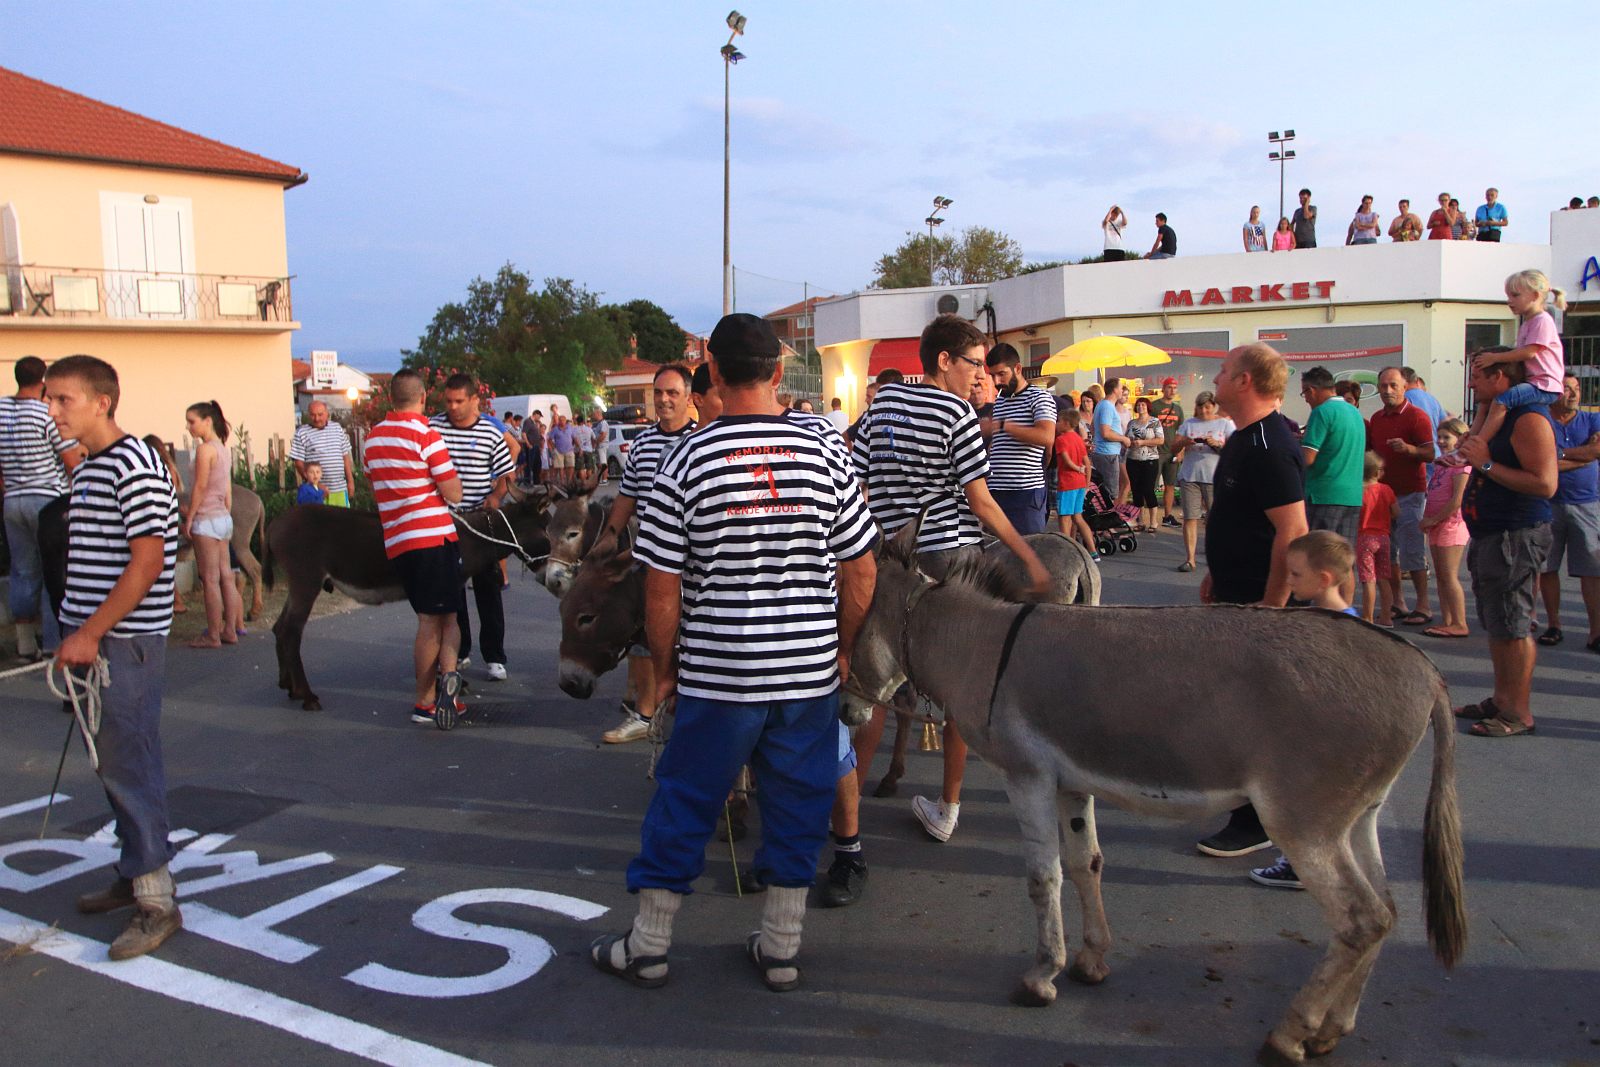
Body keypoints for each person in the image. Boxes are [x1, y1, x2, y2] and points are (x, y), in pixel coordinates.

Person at [589, 313, 878, 994]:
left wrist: (665, 670)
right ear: (778, 371)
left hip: (719, 674)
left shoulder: (684, 460)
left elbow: (662, 587)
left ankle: (649, 945)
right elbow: (861, 568)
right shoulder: (827, 453)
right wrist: (840, 648)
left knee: (685, 802)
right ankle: (781, 948)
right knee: (798, 804)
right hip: (806, 673)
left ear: (712, 374)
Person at [851, 313, 1050, 845]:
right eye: (974, 364)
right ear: (945, 361)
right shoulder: (957, 413)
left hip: (891, 563)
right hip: (950, 562)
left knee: (874, 687)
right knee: (961, 688)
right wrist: (1028, 557)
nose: (981, 375)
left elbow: (858, 481)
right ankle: (947, 807)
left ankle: (844, 810)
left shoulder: (883, 403)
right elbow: (980, 502)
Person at [44, 354, 182, 960]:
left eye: (62, 400)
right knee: (111, 762)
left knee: (129, 762)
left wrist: (91, 632)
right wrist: (76, 629)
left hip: (123, 642)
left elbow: (148, 563)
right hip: (93, 638)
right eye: (49, 399)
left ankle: (157, 900)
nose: (52, 411)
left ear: (102, 402)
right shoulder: (90, 465)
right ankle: (135, 870)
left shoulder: (134, 465)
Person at [1195, 344, 1307, 858]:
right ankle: (1249, 807)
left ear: (1244, 381)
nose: (1215, 379)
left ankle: (1260, 820)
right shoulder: (1243, 437)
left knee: (1257, 713)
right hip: (1236, 593)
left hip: (1260, 604)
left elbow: (1293, 530)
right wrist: (1216, 574)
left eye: (1223, 371)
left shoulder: (1270, 444)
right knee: (1237, 708)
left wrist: (1273, 603)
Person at [1248, 530, 1357, 890]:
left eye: (1295, 574)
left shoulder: (1334, 627)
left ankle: (1299, 865)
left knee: (1303, 804)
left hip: (1322, 736)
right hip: (1321, 733)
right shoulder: (1336, 619)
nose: (1289, 580)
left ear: (1323, 579)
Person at [1455, 354, 1557, 736]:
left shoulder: (1528, 418)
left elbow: (1545, 484)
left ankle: (1518, 713)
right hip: (1492, 535)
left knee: (1514, 625)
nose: (1471, 384)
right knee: (1498, 622)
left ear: (1501, 376)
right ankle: (1502, 700)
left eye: (1478, 376)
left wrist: (1484, 463)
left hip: (1515, 535)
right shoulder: (1498, 416)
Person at [600, 364, 697, 744]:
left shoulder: (700, 440)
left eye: (672, 393)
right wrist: (609, 538)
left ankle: (689, 714)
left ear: (689, 397)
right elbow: (627, 496)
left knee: (690, 637)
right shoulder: (641, 443)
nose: (664, 400)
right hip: (650, 557)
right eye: (659, 393)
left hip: (693, 561)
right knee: (643, 635)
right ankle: (644, 714)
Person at [363, 369, 465, 727]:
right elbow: (454, 492)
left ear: (391, 398)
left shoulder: (373, 439)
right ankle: (425, 701)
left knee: (446, 615)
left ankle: (449, 691)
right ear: (422, 397)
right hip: (433, 537)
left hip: (398, 539)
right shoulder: (426, 435)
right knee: (435, 621)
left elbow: (375, 484)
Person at [430, 374, 514, 682]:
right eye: (449, 401)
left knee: (488, 589)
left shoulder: (490, 432)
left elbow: (506, 475)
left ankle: (495, 656)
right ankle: (460, 650)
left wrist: (495, 496)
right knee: (452, 591)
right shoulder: (433, 428)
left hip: (480, 523)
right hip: (445, 521)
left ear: (474, 400)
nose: (453, 407)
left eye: (459, 401)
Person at [0, 354, 81, 659]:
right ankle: (52, 641)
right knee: (53, 569)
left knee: (22, 569)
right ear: (43, 381)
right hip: (47, 498)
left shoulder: (1, 410)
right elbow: (70, 460)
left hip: (12, 499)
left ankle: (24, 642)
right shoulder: (45, 414)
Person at [1463, 270, 1565, 454]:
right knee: (1486, 402)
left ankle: (1479, 443)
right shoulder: (1528, 323)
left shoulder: (1542, 321)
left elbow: (1529, 352)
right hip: (1534, 382)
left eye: (1515, 295)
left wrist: (1495, 358)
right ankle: (1471, 439)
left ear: (1535, 296)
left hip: (1544, 385)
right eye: (1508, 296)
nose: (1509, 301)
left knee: (1502, 400)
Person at [1537, 373, 1600, 651]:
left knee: (1592, 570)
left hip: (1587, 504)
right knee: (1547, 567)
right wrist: (1584, 456)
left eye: (1576, 389)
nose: (1573, 394)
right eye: (1566, 389)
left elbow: (1597, 450)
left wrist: (1561, 455)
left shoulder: (1592, 420)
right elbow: (1542, 460)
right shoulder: (1543, 421)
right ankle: (1554, 624)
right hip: (1548, 503)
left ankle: (1596, 632)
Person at [1368, 367, 1436, 625]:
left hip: (1410, 493)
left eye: (1393, 385)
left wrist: (1409, 449)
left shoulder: (1417, 417)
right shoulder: (1376, 418)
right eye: (1383, 386)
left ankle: (1423, 605)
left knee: (1412, 550)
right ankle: (1398, 602)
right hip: (1383, 494)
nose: (1388, 391)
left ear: (1405, 387)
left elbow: (1430, 453)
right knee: (1388, 552)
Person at [181, 400, 243, 649]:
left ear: (207, 421)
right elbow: (226, 488)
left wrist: (190, 516)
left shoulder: (205, 450)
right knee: (226, 576)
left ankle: (213, 634)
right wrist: (226, 511)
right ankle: (230, 629)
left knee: (210, 579)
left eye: (192, 421)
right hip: (222, 517)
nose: (189, 427)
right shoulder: (223, 449)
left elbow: (200, 485)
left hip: (206, 518)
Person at [982, 343, 1057, 534]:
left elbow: (1047, 436)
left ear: (1017, 368)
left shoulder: (1039, 397)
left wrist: (1004, 425)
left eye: (1002, 374)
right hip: (996, 491)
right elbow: (998, 443)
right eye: (992, 375)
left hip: (1025, 492)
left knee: (1028, 548)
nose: (997, 381)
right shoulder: (1001, 400)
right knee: (996, 549)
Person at [1299, 366, 1367, 557]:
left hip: (1324, 495)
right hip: (1352, 496)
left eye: (1305, 393)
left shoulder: (1321, 412)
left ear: (1312, 390)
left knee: (1317, 558)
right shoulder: (1354, 413)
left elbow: (1307, 458)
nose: (1306, 399)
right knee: (1343, 560)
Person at [1170, 390, 1233, 573]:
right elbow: (1173, 448)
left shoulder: (1224, 424)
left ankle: (1218, 556)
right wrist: (1184, 443)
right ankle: (1190, 559)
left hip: (1214, 477)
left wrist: (1217, 444)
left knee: (1216, 519)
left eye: (1207, 407)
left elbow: (1234, 450)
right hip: (1190, 476)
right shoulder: (1189, 424)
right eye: (1200, 407)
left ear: (1214, 406)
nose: (1204, 411)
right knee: (1190, 517)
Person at [1420, 419, 1472, 638]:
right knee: (1441, 576)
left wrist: (1433, 519)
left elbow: (1457, 500)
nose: (1441, 441)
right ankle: (1448, 620)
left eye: (1446, 437)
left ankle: (1460, 622)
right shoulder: (1443, 463)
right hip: (1437, 524)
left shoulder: (1462, 466)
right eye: (1439, 437)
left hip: (1451, 524)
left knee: (1449, 576)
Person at [1357, 452, 1399, 626]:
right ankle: (1386, 616)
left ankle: (1368, 616)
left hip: (1364, 537)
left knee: (1368, 579)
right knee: (1383, 578)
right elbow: (1396, 512)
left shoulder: (1359, 490)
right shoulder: (1386, 489)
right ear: (1377, 472)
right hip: (1383, 537)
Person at [289, 400, 355, 507]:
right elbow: (299, 463)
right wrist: (316, 484)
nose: (317, 419)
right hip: (317, 492)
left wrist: (350, 481)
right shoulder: (301, 433)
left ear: (327, 413)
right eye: (313, 415)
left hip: (340, 490)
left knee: (342, 517)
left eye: (320, 415)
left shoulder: (337, 428)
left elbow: (345, 456)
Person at [1054, 408, 1096, 558]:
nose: (1056, 424)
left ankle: (1066, 552)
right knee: (1078, 517)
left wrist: (1077, 468)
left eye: (1058, 421)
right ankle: (1093, 550)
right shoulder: (1078, 439)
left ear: (1066, 423)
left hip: (1067, 483)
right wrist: (1087, 483)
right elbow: (1087, 462)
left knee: (1064, 517)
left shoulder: (1061, 439)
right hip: (1080, 483)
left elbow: (1066, 460)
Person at [1125, 396, 1164, 533]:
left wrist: (1143, 442)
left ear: (1148, 407)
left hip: (1150, 460)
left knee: (1148, 489)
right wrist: (1128, 443)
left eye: (1143, 405)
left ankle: (1153, 521)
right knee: (1136, 491)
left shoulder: (1155, 422)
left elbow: (1160, 440)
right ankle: (1140, 521)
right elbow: (1127, 439)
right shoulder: (1131, 423)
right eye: (1139, 405)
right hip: (1133, 459)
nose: (1140, 407)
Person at [1150, 377, 1185, 527]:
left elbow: (1181, 431)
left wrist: (1180, 450)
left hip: (1172, 452)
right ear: (1163, 389)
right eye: (1169, 387)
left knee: (1170, 485)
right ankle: (1147, 518)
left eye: (1174, 387)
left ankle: (1167, 516)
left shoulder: (1178, 409)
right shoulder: (1154, 406)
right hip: (1156, 451)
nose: (1172, 390)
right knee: (1151, 485)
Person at [1090, 377, 1131, 499]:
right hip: (1108, 454)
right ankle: (1110, 511)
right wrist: (1123, 439)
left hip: (1105, 452)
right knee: (1109, 493)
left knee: (1104, 491)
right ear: (1114, 390)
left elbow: (1093, 427)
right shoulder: (1107, 406)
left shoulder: (1102, 404)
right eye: (1120, 388)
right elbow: (1106, 432)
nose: (1122, 390)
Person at [548, 413, 574, 489]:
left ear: (565, 421)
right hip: (559, 451)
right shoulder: (555, 429)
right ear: (559, 421)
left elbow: (574, 437)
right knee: (560, 467)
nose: (562, 421)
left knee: (571, 465)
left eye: (563, 420)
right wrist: (554, 447)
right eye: (560, 420)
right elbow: (549, 439)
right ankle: (562, 482)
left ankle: (569, 481)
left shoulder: (570, 427)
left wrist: (576, 445)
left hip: (569, 450)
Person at [571, 413, 595, 489]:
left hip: (579, 450)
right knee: (589, 467)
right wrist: (593, 447)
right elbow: (593, 438)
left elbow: (574, 440)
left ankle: (583, 482)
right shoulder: (589, 429)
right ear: (583, 421)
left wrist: (577, 447)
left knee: (581, 467)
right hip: (588, 449)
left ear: (576, 421)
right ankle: (589, 482)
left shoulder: (574, 430)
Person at [592, 407, 611, 483]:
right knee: (599, 463)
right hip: (599, 446)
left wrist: (596, 442)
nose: (593, 416)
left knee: (603, 463)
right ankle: (601, 477)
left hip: (602, 445)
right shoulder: (599, 424)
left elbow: (603, 435)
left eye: (594, 414)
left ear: (598, 414)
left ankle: (604, 479)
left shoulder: (603, 423)